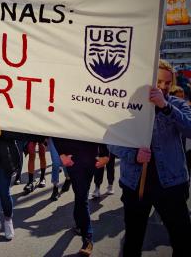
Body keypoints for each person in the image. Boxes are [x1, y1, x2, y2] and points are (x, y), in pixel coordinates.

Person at [109, 59, 191, 257]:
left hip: (172, 184)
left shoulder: (177, 104)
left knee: (183, 240)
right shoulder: (129, 106)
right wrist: (133, 155)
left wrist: (165, 107)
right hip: (136, 185)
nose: (163, 87)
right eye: (159, 82)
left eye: (167, 83)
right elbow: (111, 140)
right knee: (133, 241)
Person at [54, 138, 109, 256]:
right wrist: (61, 154)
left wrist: (105, 155)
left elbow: (101, 127)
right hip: (72, 160)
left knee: (81, 196)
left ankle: (83, 230)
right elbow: (56, 130)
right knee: (81, 196)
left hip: (90, 160)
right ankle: (84, 232)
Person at [47, 137, 71, 201]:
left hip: (66, 136)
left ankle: (68, 178)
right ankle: (55, 188)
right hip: (53, 136)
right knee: (55, 163)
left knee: (65, 160)